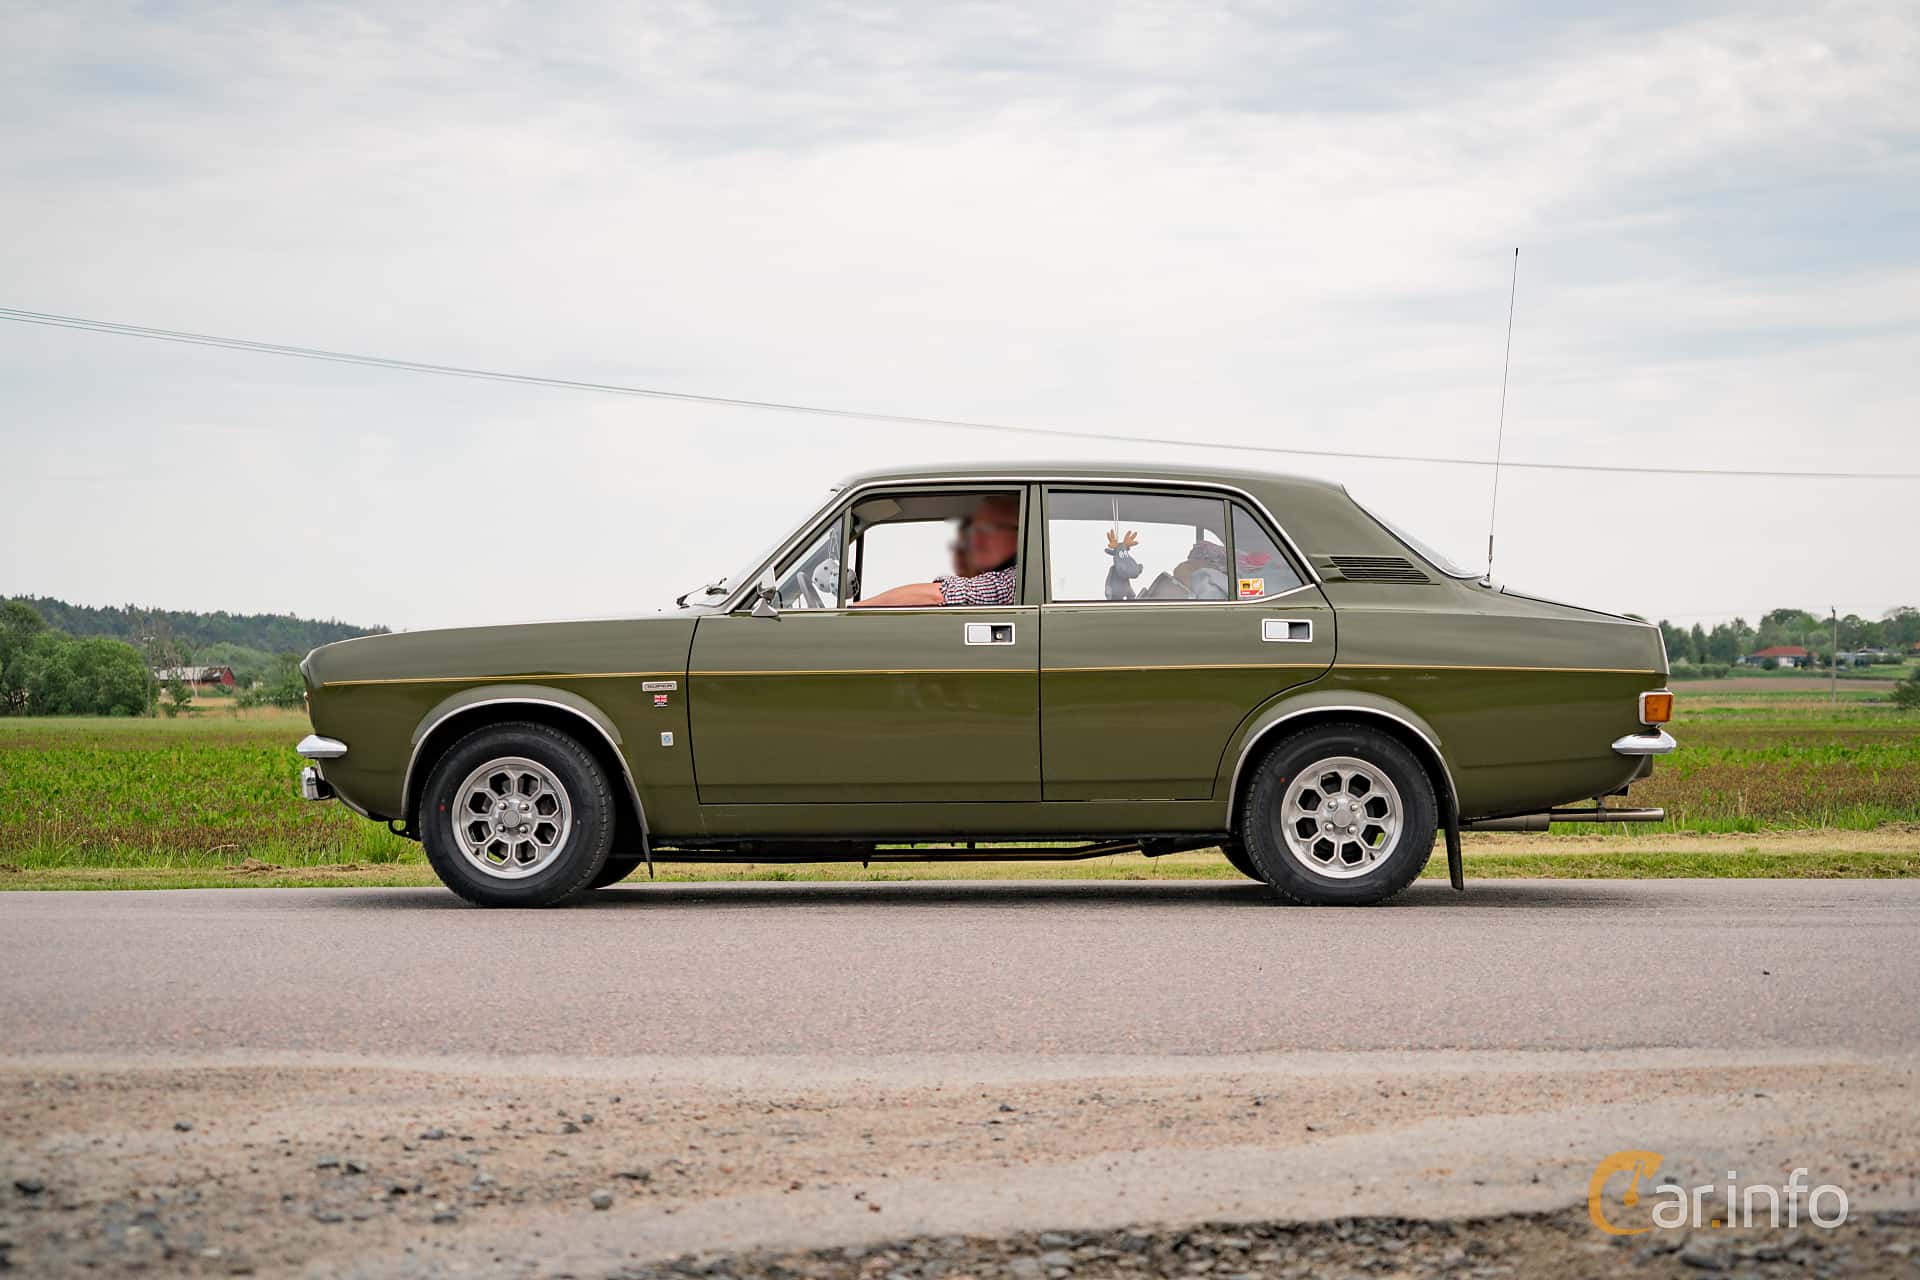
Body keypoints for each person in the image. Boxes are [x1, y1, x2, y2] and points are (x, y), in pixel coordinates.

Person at [855, 493, 1019, 607]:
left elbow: (939, 595)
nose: (976, 541)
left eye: (990, 530)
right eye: (975, 531)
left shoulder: (1015, 581)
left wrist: (853, 610)